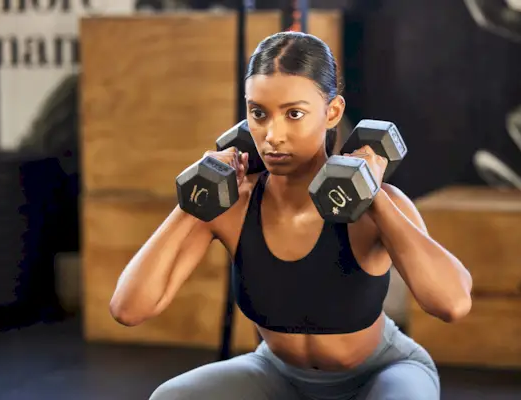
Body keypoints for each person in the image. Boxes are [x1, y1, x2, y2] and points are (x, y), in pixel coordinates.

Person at [109, 31, 473, 400]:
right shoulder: (232, 206)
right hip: (277, 374)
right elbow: (129, 308)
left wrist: (372, 194)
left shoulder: (379, 206)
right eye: (259, 114)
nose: (272, 135)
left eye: (294, 114)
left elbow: (452, 304)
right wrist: (191, 203)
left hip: (380, 372)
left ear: (332, 113)